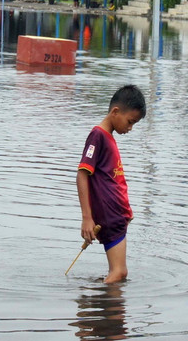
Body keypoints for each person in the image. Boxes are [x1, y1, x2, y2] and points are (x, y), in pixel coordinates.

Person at [76, 85, 146, 283]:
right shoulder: (98, 136)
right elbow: (82, 174)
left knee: (119, 273)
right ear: (115, 112)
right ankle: (98, 311)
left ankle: (102, 307)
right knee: (119, 273)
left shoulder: (108, 138)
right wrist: (87, 218)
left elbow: (114, 181)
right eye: (130, 122)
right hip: (109, 216)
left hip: (117, 216)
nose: (130, 128)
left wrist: (126, 211)